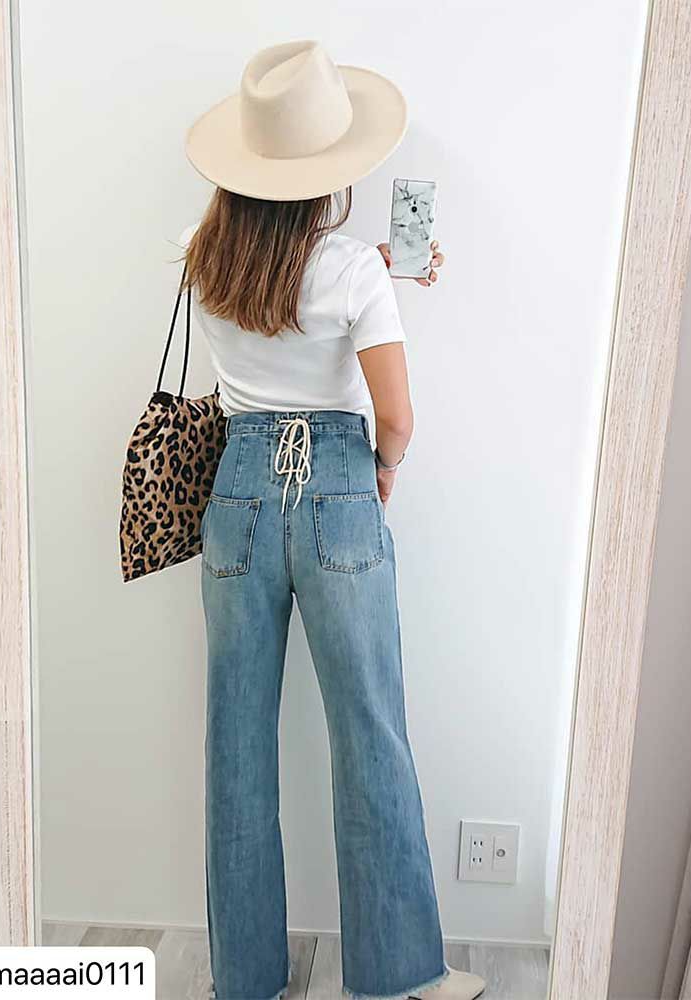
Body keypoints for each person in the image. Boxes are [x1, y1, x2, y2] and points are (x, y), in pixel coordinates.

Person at [184, 41, 484, 1000]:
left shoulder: (205, 258)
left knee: (236, 745)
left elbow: (278, 299)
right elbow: (396, 417)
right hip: (339, 493)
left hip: (236, 493)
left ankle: (246, 980)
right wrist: (384, 471)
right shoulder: (353, 271)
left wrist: (379, 272)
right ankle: (396, 977)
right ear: (329, 174)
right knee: (370, 733)